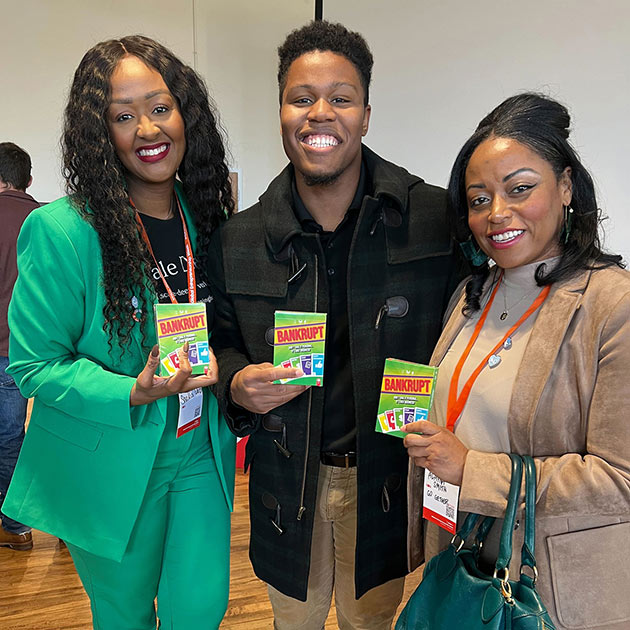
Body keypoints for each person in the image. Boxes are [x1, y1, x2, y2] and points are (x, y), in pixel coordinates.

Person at [208, 20, 465, 630]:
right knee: (290, 622)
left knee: (369, 623)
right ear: (281, 111)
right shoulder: (239, 238)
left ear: (367, 113)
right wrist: (237, 382)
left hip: (388, 475)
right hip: (283, 481)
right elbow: (218, 342)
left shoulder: (431, 218)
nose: (320, 113)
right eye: (302, 98)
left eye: (341, 98)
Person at [3, 36, 236, 630]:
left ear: (186, 113)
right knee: (124, 615)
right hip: (112, 455)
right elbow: (33, 366)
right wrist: (131, 390)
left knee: (200, 609)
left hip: (198, 450)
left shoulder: (206, 212)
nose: (147, 129)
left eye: (160, 108)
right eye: (122, 116)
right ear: (98, 134)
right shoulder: (60, 231)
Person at [403, 92, 630, 630]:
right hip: (461, 572)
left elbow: (621, 479)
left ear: (567, 187)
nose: (496, 214)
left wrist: (472, 470)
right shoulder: (471, 295)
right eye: (479, 199)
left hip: (549, 594)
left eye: (520, 189)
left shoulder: (611, 306)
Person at [0, 142, 39, 551]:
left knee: (9, 436)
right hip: (56, 351)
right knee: (59, 434)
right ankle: (68, 524)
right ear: (28, 180)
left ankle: (15, 525)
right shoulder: (51, 218)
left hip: (5, 352)